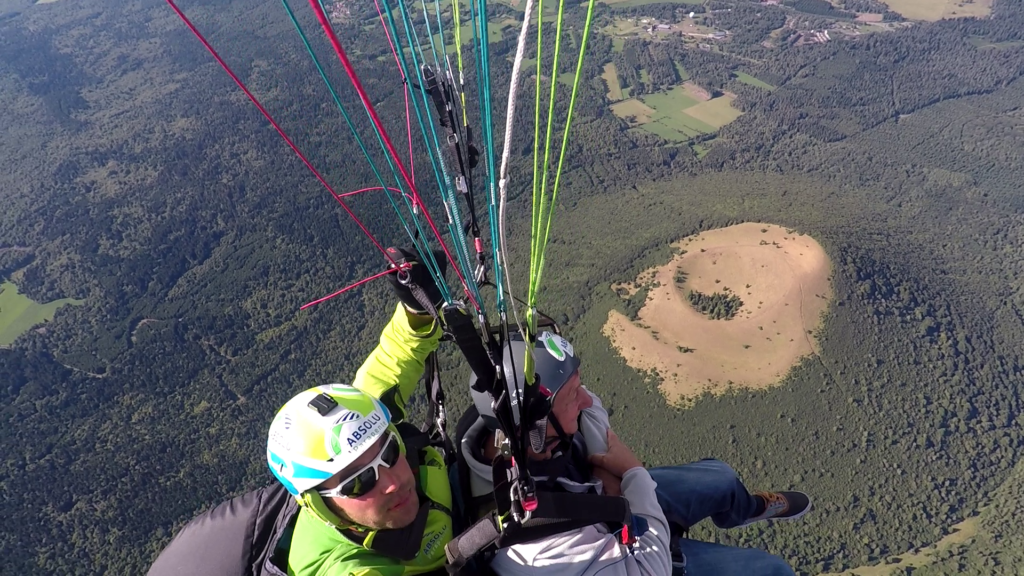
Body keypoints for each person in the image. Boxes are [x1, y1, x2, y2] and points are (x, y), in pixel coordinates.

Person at [458, 332, 812, 576]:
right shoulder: (533, 546)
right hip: (632, 555)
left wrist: (600, 461)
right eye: (572, 397)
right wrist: (631, 471)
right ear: (535, 428)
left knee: (718, 477)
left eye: (577, 387)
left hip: (609, 502)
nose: (584, 400)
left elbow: (589, 405)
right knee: (775, 571)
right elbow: (647, 570)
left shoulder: (513, 420)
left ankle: (745, 509)